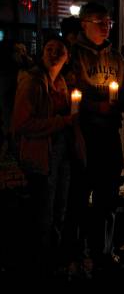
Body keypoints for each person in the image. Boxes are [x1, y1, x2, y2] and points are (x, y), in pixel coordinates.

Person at [65, 2, 124, 272]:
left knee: (108, 196)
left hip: (109, 134)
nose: (106, 27)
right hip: (84, 134)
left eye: (108, 22)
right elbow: (72, 93)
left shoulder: (116, 58)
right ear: (84, 24)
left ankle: (104, 250)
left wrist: (115, 102)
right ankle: (76, 252)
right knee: (79, 195)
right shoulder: (74, 56)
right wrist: (96, 104)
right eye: (99, 22)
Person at [12, 38, 78, 273]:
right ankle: (41, 264)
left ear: (67, 56)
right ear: (42, 54)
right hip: (42, 157)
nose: (53, 53)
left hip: (61, 156)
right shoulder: (33, 82)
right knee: (44, 213)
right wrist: (61, 122)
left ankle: (54, 258)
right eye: (49, 49)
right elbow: (22, 123)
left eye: (59, 50)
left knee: (59, 209)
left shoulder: (61, 83)